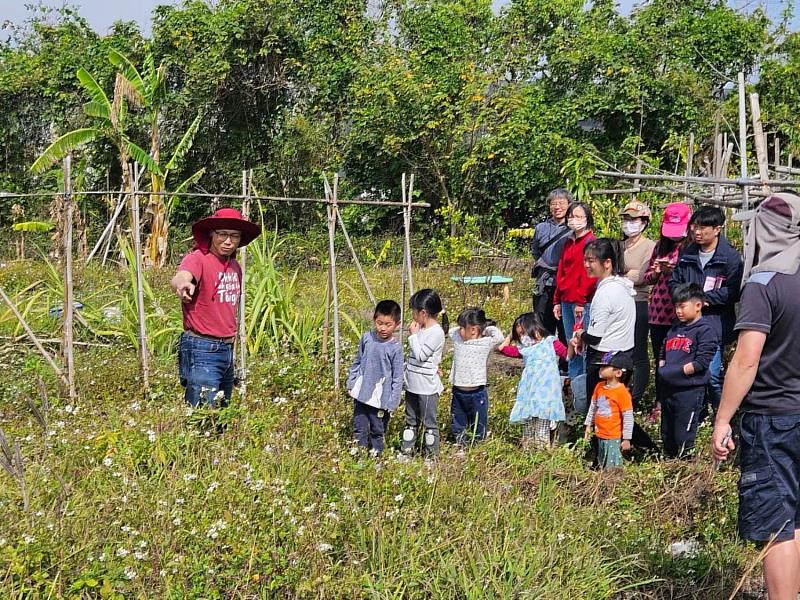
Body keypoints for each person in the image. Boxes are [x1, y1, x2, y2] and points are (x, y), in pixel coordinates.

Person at [712, 193, 800, 600]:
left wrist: (722, 419)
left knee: (776, 522)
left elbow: (746, 360)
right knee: (795, 515)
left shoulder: (762, 285)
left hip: (772, 418)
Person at [573, 238, 660, 453]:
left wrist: (579, 334)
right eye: (585, 260)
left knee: (603, 409)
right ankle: (644, 449)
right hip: (623, 355)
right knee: (615, 408)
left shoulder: (605, 293)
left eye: (591, 260)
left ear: (607, 263)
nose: (586, 265)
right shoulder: (623, 287)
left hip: (605, 359)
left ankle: (607, 454)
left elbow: (595, 337)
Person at [171, 207, 261, 407]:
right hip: (202, 348)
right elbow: (182, 275)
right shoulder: (198, 258)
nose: (228, 241)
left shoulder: (234, 266)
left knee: (222, 411)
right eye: (222, 234)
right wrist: (183, 284)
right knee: (204, 411)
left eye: (234, 236)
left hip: (226, 348)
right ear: (212, 234)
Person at [670, 205, 743, 412]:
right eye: (694, 227)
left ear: (717, 229)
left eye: (703, 228)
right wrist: (684, 299)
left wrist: (703, 299)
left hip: (714, 324)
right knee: (689, 375)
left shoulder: (730, 257)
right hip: (686, 324)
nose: (697, 232)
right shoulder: (687, 254)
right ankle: (697, 415)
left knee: (711, 375)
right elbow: (674, 283)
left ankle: (722, 416)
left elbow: (733, 291)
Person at [643, 202, 692, 418]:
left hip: (680, 313)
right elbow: (647, 278)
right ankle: (660, 402)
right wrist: (656, 271)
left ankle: (680, 403)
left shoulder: (691, 249)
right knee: (661, 360)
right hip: (658, 312)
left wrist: (675, 271)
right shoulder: (660, 247)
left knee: (680, 359)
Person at [658, 283, 718, 458]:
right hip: (668, 389)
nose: (678, 311)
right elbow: (663, 350)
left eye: (682, 306)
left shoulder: (706, 330)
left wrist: (674, 372)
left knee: (683, 436)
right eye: (676, 306)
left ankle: (685, 466)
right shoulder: (675, 328)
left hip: (689, 391)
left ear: (698, 305)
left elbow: (701, 363)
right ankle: (668, 466)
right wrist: (662, 367)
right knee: (667, 435)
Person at [346, 300, 404, 455]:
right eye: (380, 323)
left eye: (388, 324)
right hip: (362, 393)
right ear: (374, 320)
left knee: (378, 429)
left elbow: (398, 377)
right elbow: (357, 361)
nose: (383, 328)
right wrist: (351, 382)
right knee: (359, 426)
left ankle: (376, 455)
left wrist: (393, 401)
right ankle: (359, 454)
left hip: (381, 398)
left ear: (397, 325)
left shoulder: (395, 349)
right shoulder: (367, 338)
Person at [502, 312, 567, 450]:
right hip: (529, 393)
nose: (522, 338)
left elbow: (567, 355)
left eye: (523, 333)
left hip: (546, 395)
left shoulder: (550, 342)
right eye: (519, 335)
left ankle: (542, 452)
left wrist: (574, 344)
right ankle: (529, 452)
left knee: (542, 427)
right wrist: (510, 336)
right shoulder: (525, 349)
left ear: (535, 328)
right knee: (528, 426)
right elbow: (503, 348)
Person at [553, 201, 597, 381]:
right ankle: (573, 383)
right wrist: (557, 299)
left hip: (582, 302)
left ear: (587, 218)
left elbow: (589, 275)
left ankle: (584, 385)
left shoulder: (591, 242)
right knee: (571, 343)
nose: (574, 220)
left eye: (579, 216)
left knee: (582, 344)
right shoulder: (568, 242)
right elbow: (561, 270)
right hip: (566, 299)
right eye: (571, 216)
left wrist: (581, 300)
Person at [401, 289, 448, 457]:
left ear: (423, 313)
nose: (412, 315)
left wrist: (413, 336)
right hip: (412, 383)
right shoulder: (420, 329)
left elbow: (421, 356)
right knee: (410, 421)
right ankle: (406, 452)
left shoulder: (436, 333)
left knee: (429, 423)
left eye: (413, 311)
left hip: (427, 387)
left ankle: (431, 456)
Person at [448, 308, 504, 447]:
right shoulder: (458, 340)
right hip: (458, 391)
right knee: (458, 420)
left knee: (479, 421)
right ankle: (461, 444)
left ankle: (478, 445)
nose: (459, 330)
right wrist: (464, 327)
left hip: (477, 392)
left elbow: (499, 337)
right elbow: (451, 331)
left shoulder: (485, 342)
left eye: (462, 327)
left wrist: (486, 328)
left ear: (473, 329)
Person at [619, 200, 656, 409]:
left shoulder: (650, 246)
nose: (629, 223)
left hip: (640, 302)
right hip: (620, 302)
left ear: (644, 222)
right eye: (626, 219)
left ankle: (637, 396)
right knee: (622, 350)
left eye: (633, 220)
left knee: (638, 351)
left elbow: (642, 277)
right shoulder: (620, 246)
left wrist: (623, 273)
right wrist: (628, 273)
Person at [531, 189, 571, 341]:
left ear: (569, 205)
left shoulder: (573, 228)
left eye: (561, 203)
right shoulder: (541, 228)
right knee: (542, 325)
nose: (557, 207)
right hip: (544, 283)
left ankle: (565, 356)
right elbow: (535, 252)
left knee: (564, 327)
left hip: (564, 284)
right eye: (553, 203)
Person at [584, 351, 634, 470]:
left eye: (605, 367)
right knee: (602, 462)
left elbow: (628, 417)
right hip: (599, 434)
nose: (601, 369)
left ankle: (614, 481)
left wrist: (626, 438)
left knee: (613, 467)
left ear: (618, 372)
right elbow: (593, 407)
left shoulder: (622, 392)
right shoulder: (599, 386)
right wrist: (588, 425)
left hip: (613, 437)